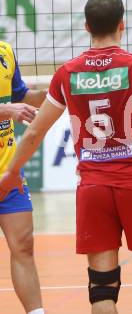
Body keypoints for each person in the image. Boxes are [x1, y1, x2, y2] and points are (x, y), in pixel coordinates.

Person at [0, 0, 132, 314]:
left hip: (92, 187)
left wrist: (10, 173)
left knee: (102, 287)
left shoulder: (67, 73)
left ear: (86, 26)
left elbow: (35, 131)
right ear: (122, 24)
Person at [0, 42, 46, 314]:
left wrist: (57, 92)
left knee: (24, 245)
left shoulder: (4, 51)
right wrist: (6, 111)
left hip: (7, 172)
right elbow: (11, 106)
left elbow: (21, 95)